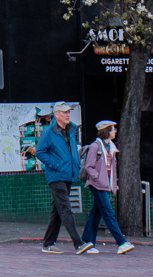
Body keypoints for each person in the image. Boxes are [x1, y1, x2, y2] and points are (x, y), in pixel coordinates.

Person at [34, 102, 95, 254]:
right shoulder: (49, 132)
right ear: (56, 115)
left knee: (58, 209)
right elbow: (40, 152)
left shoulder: (71, 130)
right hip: (56, 176)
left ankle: (48, 243)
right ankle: (78, 243)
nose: (68, 114)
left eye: (68, 112)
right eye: (64, 112)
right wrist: (56, 164)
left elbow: (70, 151)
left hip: (68, 174)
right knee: (66, 208)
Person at [81, 120, 133, 254]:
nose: (115, 131)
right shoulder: (95, 146)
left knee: (95, 214)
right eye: (113, 129)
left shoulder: (111, 146)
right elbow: (89, 166)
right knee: (108, 213)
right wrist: (97, 178)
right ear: (106, 131)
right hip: (97, 184)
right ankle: (121, 242)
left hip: (104, 184)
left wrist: (112, 184)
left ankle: (87, 242)